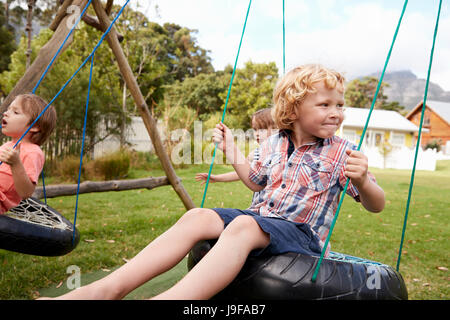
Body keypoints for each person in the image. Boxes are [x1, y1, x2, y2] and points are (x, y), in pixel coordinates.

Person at [44, 64, 384, 300]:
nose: (336, 112)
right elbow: (255, 182)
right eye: (324, 104)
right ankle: (107, 289)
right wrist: (232, 150)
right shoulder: (274, 144)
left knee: (245, 226)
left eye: (340, 104)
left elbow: (375, 203)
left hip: (301, 235)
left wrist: (365, 181)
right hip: (264, 221)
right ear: (293, 110)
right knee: (198, 216)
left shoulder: (343, 152)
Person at [0, 93, 57, 214]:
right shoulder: (7, 145)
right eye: (8, 109)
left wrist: (16, 164)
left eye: (15, 112)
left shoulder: (33, 152)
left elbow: (26, 193)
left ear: (34, 126)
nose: (6, 113)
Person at [195, 107, 277, 186]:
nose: (257, 134)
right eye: (255, 129)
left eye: (262, 129)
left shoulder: (283, 153)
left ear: (276, 129)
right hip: (260, 200)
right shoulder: (254, 155)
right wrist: (217, 178)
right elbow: (243, 173)